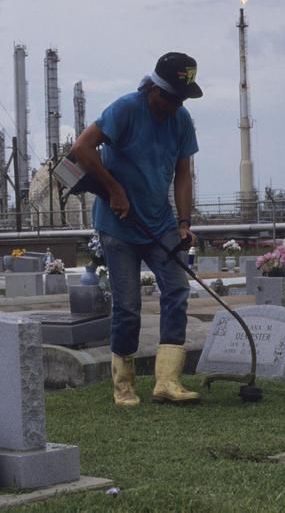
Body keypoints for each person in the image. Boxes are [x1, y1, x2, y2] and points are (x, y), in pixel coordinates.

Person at [71, 52, 202, 407]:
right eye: (170, 97)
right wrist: (113, 189)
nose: (175, 105)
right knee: (128, 306)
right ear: (154, 88)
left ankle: (168, 380)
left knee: (177, 291)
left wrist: (184, 222)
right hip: (119, 225)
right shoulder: (125, 109)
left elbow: (183, 173)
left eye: (181, 99)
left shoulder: (181, 120)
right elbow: (81, 148)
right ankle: (124, 384)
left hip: (159, 224)